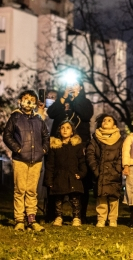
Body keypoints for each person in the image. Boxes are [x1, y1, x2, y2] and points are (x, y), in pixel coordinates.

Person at [46, 78, 93, 222]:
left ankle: (80, 214)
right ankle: (53, 214)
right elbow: (51, 113)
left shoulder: (85, 102)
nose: (71, 86)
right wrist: (64, 97)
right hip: (59, 144)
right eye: (69, 83)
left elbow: (85, 115)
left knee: (80, 180)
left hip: (78, 144)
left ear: (81, 87)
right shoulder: (61, 100)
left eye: (75, 84)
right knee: (55, 177)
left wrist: (77, 97)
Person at [2, 89, 50, 231]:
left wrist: (43, 150)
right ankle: (19, 220)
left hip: (36, 160)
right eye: (26, 98)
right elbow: (7, 135)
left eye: (32, 99)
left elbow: (46, 136)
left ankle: (31, 219)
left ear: (35, 103)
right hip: (20, 159)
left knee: (31, 190)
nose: (28, 101)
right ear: (20, 101)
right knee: (20, 189)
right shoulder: (15, 117)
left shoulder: (38, 119)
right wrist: (18, 149)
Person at [45, 119, 87, 227]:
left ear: (72, 131)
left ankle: (76, 217)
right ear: (59, 130)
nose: (65, 130)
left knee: (75, 199)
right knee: (58, 199)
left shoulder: (77, 146)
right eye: (62, 128)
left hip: (73, 176)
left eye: (68, 128)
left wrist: (82, 173)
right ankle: (58, 217)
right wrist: (49, 179)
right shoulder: (55, 146)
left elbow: (82, 161)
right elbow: (50, 164)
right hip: (59, 176)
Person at [86, 114, 123, 228]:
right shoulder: (95, 139)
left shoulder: (120, 140)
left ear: (114, 125)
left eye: (109, 120)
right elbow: (90, 155)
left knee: (113, 198)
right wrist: (96, 170)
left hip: (114, 174)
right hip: (100, 173)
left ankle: (112, 219)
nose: (106, 122)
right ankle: (101, 219)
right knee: (101, 198)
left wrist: (117, 170)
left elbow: (122, 156)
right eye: (104, 120)